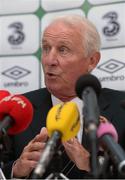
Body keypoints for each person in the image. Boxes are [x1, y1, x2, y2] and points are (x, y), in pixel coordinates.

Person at [2, 15, 125, 179]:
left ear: (92, 60)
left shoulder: (121, 109)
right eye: (46, 48)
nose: (50, 60)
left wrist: (91, 165)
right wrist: (16, 170)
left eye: (63, 50)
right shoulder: (17, 111)